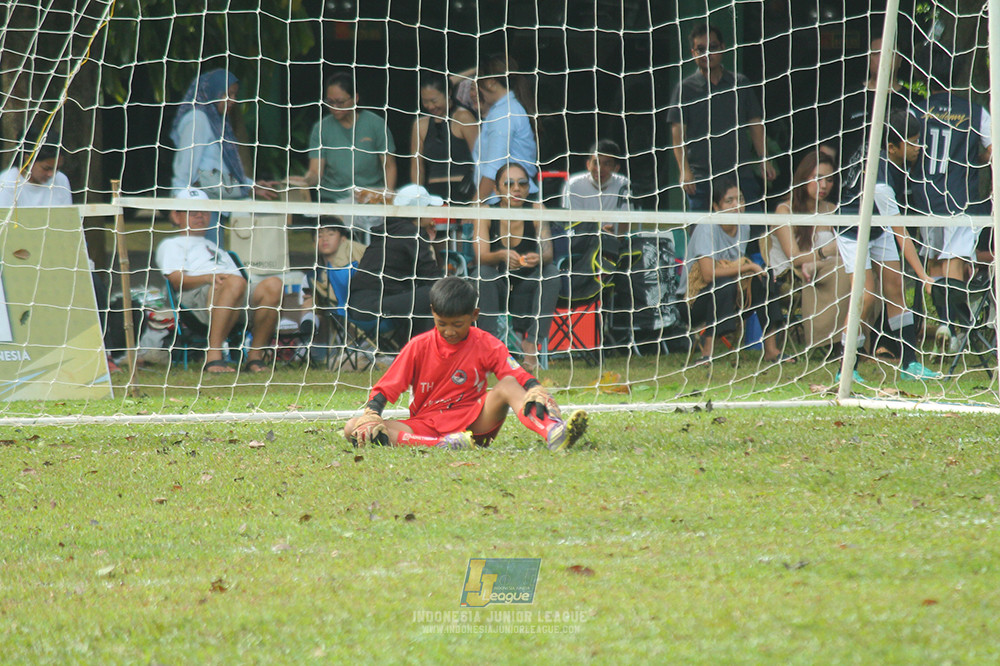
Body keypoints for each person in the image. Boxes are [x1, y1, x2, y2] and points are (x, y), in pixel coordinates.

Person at [343, 276, 588, 451]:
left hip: (472, 423)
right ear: (433, 312)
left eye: (457, 324)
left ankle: (553, 432)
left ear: (474, 315)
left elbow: (514, 372)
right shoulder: (418, 346)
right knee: (353, 428)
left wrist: (535, 387)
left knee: (508, 384)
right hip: (426, 425)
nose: (449, 331)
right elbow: (387, 387)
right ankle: (441, 445)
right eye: (442, 323)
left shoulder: (487, 343)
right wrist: (372, 413)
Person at [831, 110, 940, 381]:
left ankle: (910, 365)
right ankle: (846, 368)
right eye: (911, 142)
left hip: (876, 226)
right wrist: (923, 275)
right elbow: (900, 232)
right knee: (865, 295)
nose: (917, 148)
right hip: (852, 229)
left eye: (918, 141)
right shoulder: (879, 181)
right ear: (892, 147)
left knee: (895, 287)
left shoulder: (893, 161)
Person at [909, 49, 992, 350]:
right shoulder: (975, 111)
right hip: (959, 198)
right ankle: (955, 330)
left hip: (926, 198)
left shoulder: (916, 110)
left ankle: (945, 323)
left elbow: (907, 150)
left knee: (934, 263)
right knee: (954, 261)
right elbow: (991, 151)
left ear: (923, 77)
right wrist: (977, 158)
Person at [155, 187, 282, 373]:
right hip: (198, 299)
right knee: (235, 283)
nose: (200, 215)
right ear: (176, 216)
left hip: (235, 293)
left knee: (274, 284)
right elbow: (176, 280)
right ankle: (213, 356)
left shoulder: (216, 248)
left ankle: (255, 357)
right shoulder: (172, 245)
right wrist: (209, 278)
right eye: (193, 212)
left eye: (204, 211)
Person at [666, 22, 775, 212]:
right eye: (701, 49)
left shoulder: (740, 83)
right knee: (701, 228)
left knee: (754, 225)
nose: (707, 53)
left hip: (739, 174)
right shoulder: (685, 89)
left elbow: (755, 124)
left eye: (713, 47)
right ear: (693, 53)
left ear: (723, 48)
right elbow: (677, 136)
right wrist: (684, 170)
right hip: (701, 177)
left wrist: (764, 158)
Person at [170, 69, 278, 247]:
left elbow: (218, 167)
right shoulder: (198, 119)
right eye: (226, 94)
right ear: (212, 92)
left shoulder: (216, 121)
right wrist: (177, 204)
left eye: (234, 94)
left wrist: (251, 185)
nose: (232, 100)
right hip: (200, 208)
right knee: (206, 257)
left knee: (214, 255)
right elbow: (185, 167)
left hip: (214, 205)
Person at [685, 176, 785, 365]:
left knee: (764, 277)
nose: (737, 205)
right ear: (716, 206)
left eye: (740, 199)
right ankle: (707, 353)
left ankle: (771, 349)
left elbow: (736, 269)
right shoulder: (707, 227)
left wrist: (753, 272)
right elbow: (707, 274)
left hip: (732, 296)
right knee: (724, 284)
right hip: (694, 301)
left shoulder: (744, 226)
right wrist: (748, 267)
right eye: (729, 201)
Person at [473, 162, 560, 371]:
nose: (516, 189)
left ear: (529, 188)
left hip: (528, 283)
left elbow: (548, 253)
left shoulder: (537, 210)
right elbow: (481, 256)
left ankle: (532, 342)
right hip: (497, 284)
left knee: (551, 273)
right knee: (482, 273)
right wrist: (501, 255)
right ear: (497, 190)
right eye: (509, 184)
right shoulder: (486, 212)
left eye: (522, 184)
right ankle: (490, 346)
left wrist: (538, 258)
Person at [771, 152, 850, 351]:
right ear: (803, 177)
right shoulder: (785, 210)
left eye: (829, 180)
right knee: (842, 269)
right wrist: (825, 252)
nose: (823, 186)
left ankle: (859, 339)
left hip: (830, 267)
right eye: (817, 178)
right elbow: (794, 258)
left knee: (858, 269)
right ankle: (831, 341)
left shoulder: (832, 209)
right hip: (797, 275)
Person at [347, 184, 443, 342]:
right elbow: (432, 278)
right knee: (436, 294)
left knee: (427, 295)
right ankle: (423, 349)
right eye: (429, 208)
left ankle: (414, 347)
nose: (433, 214)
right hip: (372, 307)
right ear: (418, 212)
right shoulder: (411, 233)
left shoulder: (390, 229)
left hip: (359, 304)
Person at [832, 35, 914, 213]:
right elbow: (828, 150)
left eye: (889, 52)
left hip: (899, 196)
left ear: (900, 60)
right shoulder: (849, 98)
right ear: (868, 58)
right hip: (851, 198)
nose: (882, 57)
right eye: (876, 53)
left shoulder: (912, 102)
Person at [293, 71, 397, 205]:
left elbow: (389, 166)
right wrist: (304, 181)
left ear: (355, 98)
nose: (334, 107)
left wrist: (386, 197)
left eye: (340, 102)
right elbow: (315, 172)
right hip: (333, 199)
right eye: (330, 102)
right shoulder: (321, 128)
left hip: (370, 198)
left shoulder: (375, 124)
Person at [297, 217, 367, 359]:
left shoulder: (358, 267)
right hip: (328, 320)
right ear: (314, 243)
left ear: (343, 239)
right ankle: (309, 341)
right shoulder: (311, 277)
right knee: (310, 302)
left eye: (330, 234)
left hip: (357, 316)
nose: (325, 239)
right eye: (319, 235)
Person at [474, 54, 538, 202]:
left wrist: (476, 204)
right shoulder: (510, 108)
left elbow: (494, 167)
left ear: (490, 83)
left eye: (479, 84)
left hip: (507, 200)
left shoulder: (504, 113)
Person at [410, 74, 479, 203]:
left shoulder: (463, 118)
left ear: (448, 93)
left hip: (463, 191)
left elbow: (480, 158)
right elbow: (417, 166)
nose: (430, 106)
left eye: (434, 101)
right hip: (434, 195)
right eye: (425, 101)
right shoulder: (420, 125)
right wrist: (417, 195)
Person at [561, 139, 632, 234]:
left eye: (606, 164)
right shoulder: (573, 185)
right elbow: (572, 225)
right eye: (596, 163)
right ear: (588, 165)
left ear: (616, 168)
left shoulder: (623, 185)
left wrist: (613, 233)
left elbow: (625, 223)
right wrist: (600, 232)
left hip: (613, 240)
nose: (599, 169)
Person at [0, 131, 72, 207]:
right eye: (46, 168)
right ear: (28, 160)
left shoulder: (61, 180)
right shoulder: (6, 183)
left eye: (56, 169)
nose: (51, 174)